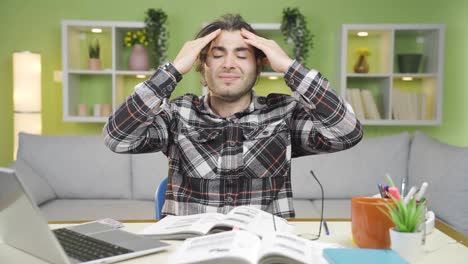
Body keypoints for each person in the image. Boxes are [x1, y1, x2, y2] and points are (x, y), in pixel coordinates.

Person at [103, 14, 363, 218]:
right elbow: (118, 138)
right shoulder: (177, 114)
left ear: (259, 66)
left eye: (241, 55)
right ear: (203, 67)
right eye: (217, 55)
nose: (229, 63)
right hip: (192, 251)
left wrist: (289, 67)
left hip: (262, 251)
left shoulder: (284, 114)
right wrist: (172, 71)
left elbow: (347, 133)